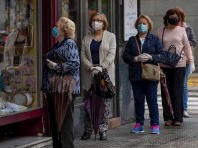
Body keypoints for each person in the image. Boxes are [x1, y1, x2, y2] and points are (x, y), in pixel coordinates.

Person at [41, 17, 80, 148]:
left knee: (65, 122)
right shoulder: (58, 44)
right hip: (55, 88)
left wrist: (57, 66)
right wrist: (45, 88)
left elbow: (75, 63)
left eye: (57, 26)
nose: (55, 28)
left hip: (66, 89)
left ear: (64, 29)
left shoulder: (70, 43)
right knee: (55, 123)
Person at [123, 15, 164, 134]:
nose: (142, 25)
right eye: (140, 23)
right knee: (138, 100)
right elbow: (125, 56)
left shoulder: (154, 39)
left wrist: (152, 57)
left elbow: (162, 55)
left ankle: (155, 124)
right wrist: (135, 58)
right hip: (136, 76)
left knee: (152, 100)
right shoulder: (132, 40)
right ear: (137, 25)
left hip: (151, 75)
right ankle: (139, 124)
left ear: (149, 25)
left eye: (144, 23)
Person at [80, 11, 116, 140]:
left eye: (99, 20)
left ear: (104, 23)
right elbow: (82, 55)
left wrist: (101, 67)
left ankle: (103, 130)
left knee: (105, 104)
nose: (96, 22)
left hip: (104, 76)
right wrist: (90, 66)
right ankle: (88, 130)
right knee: (88, 104)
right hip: (89, 74)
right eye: (94, 20)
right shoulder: (86, 38)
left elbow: (111, 55)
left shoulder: (111, 36)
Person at [157, 8, 194, 126]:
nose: (174, 19)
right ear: (167, 18)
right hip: (164, 64)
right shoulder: (160, 31)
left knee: (177, 91)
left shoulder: (182, 30)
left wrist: (191, 61)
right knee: (166, 90)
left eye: (176, 17)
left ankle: (178, 118)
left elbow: (187, 46)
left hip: (180, 64)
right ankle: (168, 117)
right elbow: (157, 48)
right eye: (172, 17)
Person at [175, 7, 196, 118]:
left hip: (185, 61)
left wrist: (184, 45)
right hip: (172, 62)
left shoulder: (187, 28)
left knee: (183, 85)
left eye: (178, 17)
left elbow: (193, 42)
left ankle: (184, 108)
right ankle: (174, 109)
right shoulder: (168, 29)